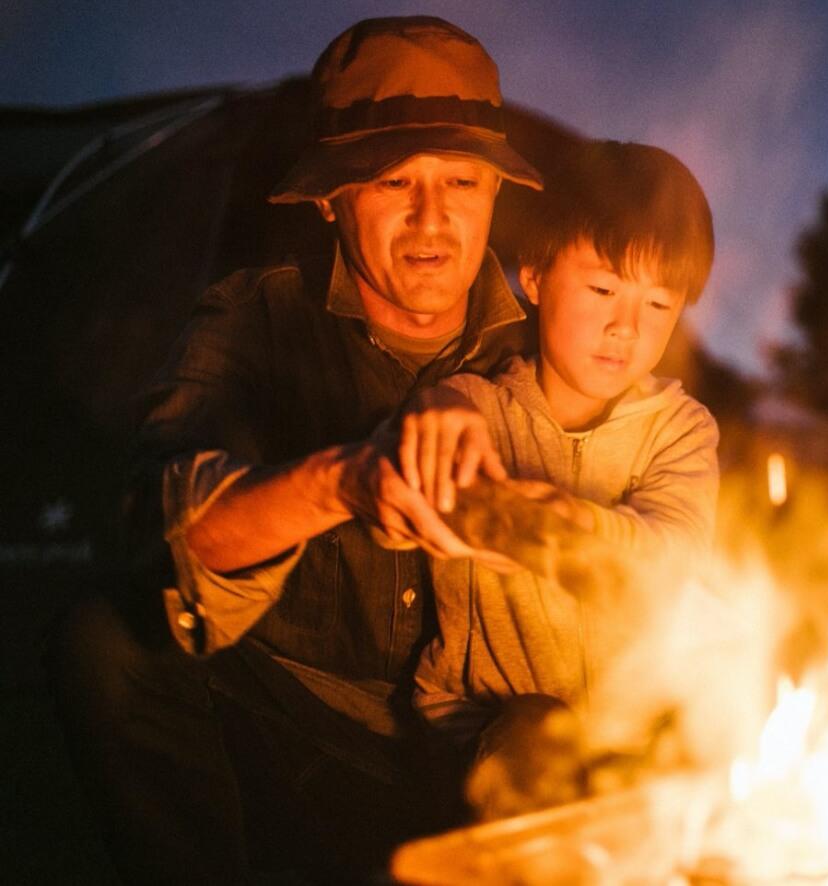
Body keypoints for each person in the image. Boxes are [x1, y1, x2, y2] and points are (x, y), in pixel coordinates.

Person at [45, 16, 544, 884]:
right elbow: (156, 530)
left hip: (472, 756)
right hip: (283, 727)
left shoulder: (553, 355)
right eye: (393, 180)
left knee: (562, 731)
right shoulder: (253, 318)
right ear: (329, 197)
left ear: (496, 190)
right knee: (104, 645)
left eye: (461, 180)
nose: (434, 218)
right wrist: (342, 481)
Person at [399, 141, 719, 821]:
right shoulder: (476, 408)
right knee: (537, 737)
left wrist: (568, 524)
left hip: (629, 737)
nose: (625, 327)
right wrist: (439, 414)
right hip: (482, 733)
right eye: (602, 289)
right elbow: (437, 431)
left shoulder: (680, 430)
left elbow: (674, 550)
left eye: (659, 305)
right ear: (536, 276)